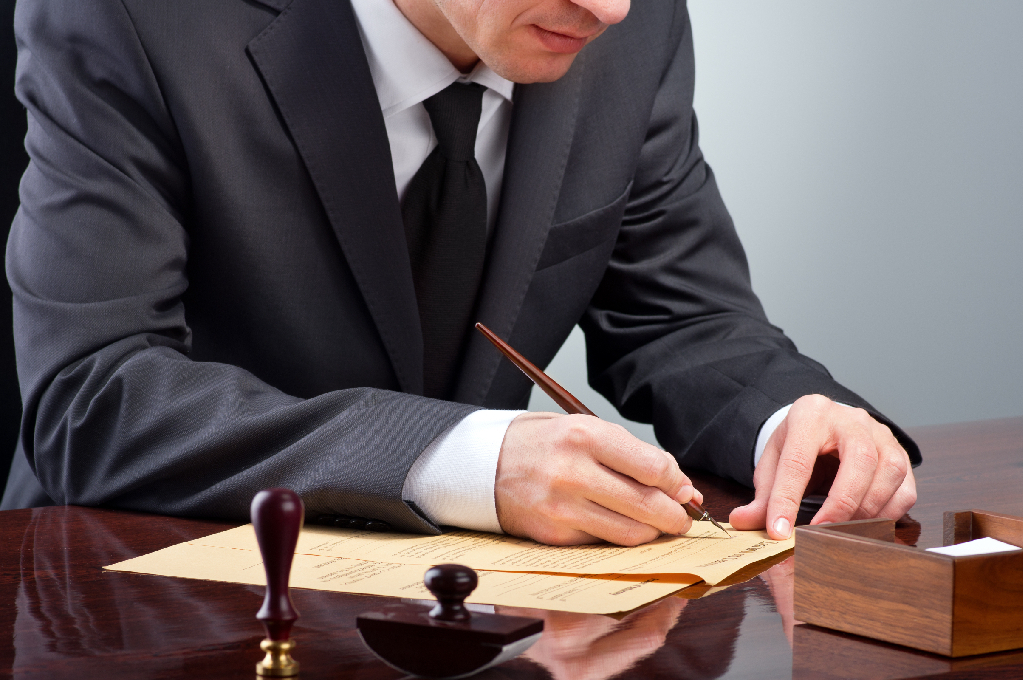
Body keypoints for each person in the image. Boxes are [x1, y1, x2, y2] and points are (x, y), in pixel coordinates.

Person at [2, 0, 919, 545]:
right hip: (142, 590)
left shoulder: (626, 33)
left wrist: (790, 423)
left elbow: (681, 320)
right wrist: (465, 459)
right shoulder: (130, 17)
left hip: (477, 620)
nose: (608, 10)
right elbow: (93, 395)